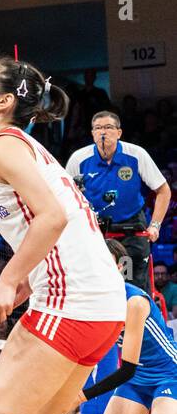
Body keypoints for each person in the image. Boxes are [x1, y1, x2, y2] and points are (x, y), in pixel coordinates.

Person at [0, 57, 125, 414]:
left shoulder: (4, 145)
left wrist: (4, 280)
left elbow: (51, 218)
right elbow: (63, 229)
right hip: (102, 305)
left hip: (74, 302)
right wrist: (25, 284)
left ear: (3, 100)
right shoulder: (24, 149)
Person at [81, 240, 177, 414]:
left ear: (120, 266)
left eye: (105, 261)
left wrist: (81, 395)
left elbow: (126, 369)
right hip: (138, 380)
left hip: (169, 375)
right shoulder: (94, 303)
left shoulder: (134, 301)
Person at [66, 111, 171, 287]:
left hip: (132, 227)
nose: (103, 132)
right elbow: (65, 196)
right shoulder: (79, 159)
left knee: (129, 283)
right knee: (94, 281)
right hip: (94, 228)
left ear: (119, 133)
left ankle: (138, 312)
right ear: (92, 134)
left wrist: (155, 225)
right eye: (98, 128)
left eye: (108, 127)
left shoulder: (136, 154)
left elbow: (163, 190)